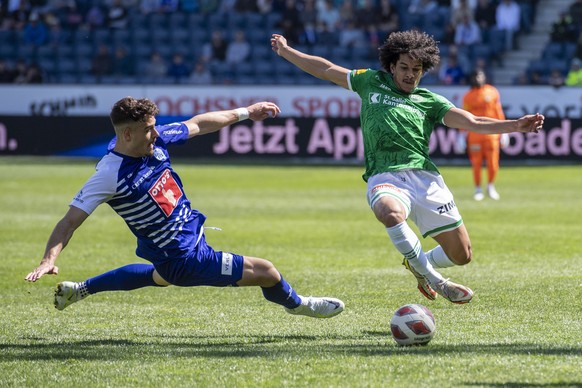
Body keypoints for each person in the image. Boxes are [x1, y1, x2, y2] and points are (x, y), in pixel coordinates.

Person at [270, 30, 544, 304]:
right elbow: (327, 69)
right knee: (390, 212)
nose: (410, 74)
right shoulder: (371, 82)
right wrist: (286, 51)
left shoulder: (430, 101)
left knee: (462, 255)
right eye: (404, 67)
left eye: (416, 69)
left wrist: (516, 125)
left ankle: (417, 262)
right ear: (391, 66)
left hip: (426, 179)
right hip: (386, 175)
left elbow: (473, 122)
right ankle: (435, 280)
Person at [25, 97, 345, 319]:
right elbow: (68, 222)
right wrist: (48, 259)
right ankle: (300, 305)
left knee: (159, 276)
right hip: (186, 257)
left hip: (179, 246)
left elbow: (198, 124)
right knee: (267, 271)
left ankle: (79, 290)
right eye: (149, 128)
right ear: (127, 133)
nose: (156, 132)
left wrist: (247, 111)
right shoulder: (109, 175)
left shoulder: (156, 140)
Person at [458, 69, 508, 201]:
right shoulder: (468, 96)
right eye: (475, 76)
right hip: (475, 134)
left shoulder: (492, 92)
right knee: (476, 163)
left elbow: (498, 111)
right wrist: (461, 135)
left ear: (484, 77)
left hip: (491, 134)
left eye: (479, 75)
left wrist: (504, 131)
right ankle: (478, 188)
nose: (477, 79)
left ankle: (491, 186)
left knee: (493, 162)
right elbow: (463, 116)